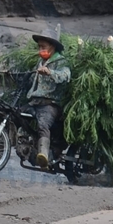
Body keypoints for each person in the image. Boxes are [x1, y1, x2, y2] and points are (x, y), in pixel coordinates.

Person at [26, 28, 70, 169]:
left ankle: (43, 156)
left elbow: (66, 76)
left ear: (52, 47)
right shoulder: (39, 62)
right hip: (35, 102)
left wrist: (50, 72)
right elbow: (32, 80)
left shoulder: (61, 61)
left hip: (50, 104)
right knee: (12, 114)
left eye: (43, 47)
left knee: (43, 123)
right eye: (39, 47)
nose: (40, 49)